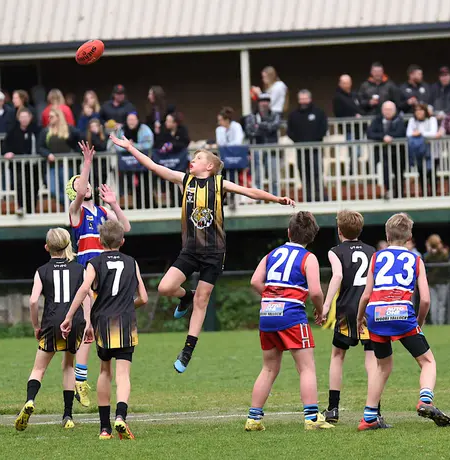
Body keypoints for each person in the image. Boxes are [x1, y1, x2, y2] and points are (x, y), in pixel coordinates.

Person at [109, 133, 295, 373]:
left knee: (202, 300)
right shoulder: (184, 180)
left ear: (209, 166)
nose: (192, 160)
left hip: (214, 252)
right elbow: (154, 166)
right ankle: (185, 296)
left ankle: (187, 349)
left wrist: (277, 199)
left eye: (197, 158)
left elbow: (250, 191)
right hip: (190, 250)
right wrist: (130, 148)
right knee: (166, 288)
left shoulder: (220, 184)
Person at [356, 213, 450, 430]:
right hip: (402, 313)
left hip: (376, 314)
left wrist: (359, 317)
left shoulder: (376, 257)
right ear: (409, 236)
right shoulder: (416, 259)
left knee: (382, 367)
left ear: (387, 235)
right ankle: (425, 400)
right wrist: (419, 321)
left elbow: (365, 295)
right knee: (427, 361)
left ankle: (369, 416)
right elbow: (425, 299)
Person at [245, 211, 332, 432]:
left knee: (268, 368)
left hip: (268, 314)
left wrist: (272, 295)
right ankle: (312, 418)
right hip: (291, 315)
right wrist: (321, 312)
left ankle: (253, 419)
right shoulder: (308, 258)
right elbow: (315, 291)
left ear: (288, 232)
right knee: (306, 368)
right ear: (312, 236)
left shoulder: (273, 253)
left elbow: (255, 281)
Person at [61, 220, 148, 440]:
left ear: (100, 241)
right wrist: (129, 306)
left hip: (102, 322)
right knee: (123, 374)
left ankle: (104, 428)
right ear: (122, 241)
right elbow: (144, 298)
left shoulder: (94, 262)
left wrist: (70, 316)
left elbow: (83, 290)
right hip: (126, 321)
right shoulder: (132, 262)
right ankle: (121, 416)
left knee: (104, 371)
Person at [64, 142, 131, 406]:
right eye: (81, 184)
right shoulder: (75, 211)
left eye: (87, 182)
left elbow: (125, 227)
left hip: (104, 270)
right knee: (89, 323)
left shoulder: (103, 211)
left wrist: (115, 204)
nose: (87, 186)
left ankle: (81, 378)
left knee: (96, 327)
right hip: (86, 270)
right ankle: (80, 380)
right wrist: (87, 163)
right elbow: (81, 190)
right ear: (76, 190)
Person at [14, 228, 91, 432]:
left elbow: (32, 301)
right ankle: (67, 415)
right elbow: (88, 296)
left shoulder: (42, 270)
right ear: (68, 245)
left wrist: (36, 326)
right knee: (68, 366)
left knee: (39, 369)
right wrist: (88, 323)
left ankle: (30, 400)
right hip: (75, 322)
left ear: (46, 247)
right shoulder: (79, 268)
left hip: (51, 322)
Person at [320, 210, 380, 425]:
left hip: (347, 309)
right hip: (368, 309)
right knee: (372, 359)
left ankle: (333, 408)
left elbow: (337, 275)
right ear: (360, 229)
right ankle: (375, 410)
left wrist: (326, 305)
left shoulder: (335, 251)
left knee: (338, 356)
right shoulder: (372, 251)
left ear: (339, 230)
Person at [287, 90, 328, 202]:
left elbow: (323, 129)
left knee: (317, 173)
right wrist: (298, 141)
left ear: (310, 99)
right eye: (301, 99)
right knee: (304, 174)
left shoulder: (318, 112)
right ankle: (308, 197)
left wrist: (315, 140)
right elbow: (289, 131)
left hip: (315, 150)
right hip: (300, 150)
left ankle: (321, 197)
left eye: (305, 98)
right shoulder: (293, 115)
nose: (303, 101)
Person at [38, 108, 82, 204]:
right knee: (53, 189)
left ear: (59, 117)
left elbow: (78, 142)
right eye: (49, 116)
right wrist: (47, 154)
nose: (49, 118)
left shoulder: (70, 129)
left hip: (68, 165)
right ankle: (70, 205)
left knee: (68, 189)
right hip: (52, 166)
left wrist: (82, 151)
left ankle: (72, 208)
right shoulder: (46, 131)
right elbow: (40, 147)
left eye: (52, 116)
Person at [366, 101, 407, 199]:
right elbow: (370, 133)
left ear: (394, 110)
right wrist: (383, 137)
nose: (387, 112)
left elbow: (401, 133)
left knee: (399, 172)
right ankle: (388, 190)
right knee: (384, 170)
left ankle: (399, 193)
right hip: (382, 152)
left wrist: (390, 137)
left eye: (390, 110)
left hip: (397, 152)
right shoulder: (377, 120)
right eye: (385, 109)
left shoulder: (399, 120)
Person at [3, 108, 40, 215]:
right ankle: (21, 206)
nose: (24, 119)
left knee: (33, 186)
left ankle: (31, 209)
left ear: (30, 117)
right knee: (20, 185)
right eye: (22, 117)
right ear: (18, 118)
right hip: (18, 165)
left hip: (33, 165)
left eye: (26, 117)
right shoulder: (13, 131)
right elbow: (6, 146)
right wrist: (8, 152)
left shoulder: (36, 130)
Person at [245, 94, 281, 196]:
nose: (264, 103)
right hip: (257, 148)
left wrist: (260, 126)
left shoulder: (275, 115)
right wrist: (265, 128)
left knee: (274, 175)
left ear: (269, 103)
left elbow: (275, 126)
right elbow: (250, 131)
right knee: (258, 176)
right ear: (258, 103)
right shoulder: (252, 116)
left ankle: (275, 196)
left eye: (266, 101)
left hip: (272, 149)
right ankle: (259, 197)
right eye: (262, 101)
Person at [406, 103, 439, 190]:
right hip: (419, 152)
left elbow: (433, 133)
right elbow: (409, 134)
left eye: (421, 110)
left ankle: (434, 193)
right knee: (421, 174)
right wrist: (418, 134)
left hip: (432, 152)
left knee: (432, 173)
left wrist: (420, 133)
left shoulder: (432, 119)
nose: (418, 112)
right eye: (416, 110)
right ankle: (424, 193)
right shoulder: (412, 121)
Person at [424, 234, 450, 325]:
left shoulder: (428, 255)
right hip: (441, 282)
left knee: (435, 303)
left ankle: (436, 322)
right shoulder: (442, 255)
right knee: (440, 304)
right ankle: (439, 323)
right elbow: (448, 267)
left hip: (433, 282)